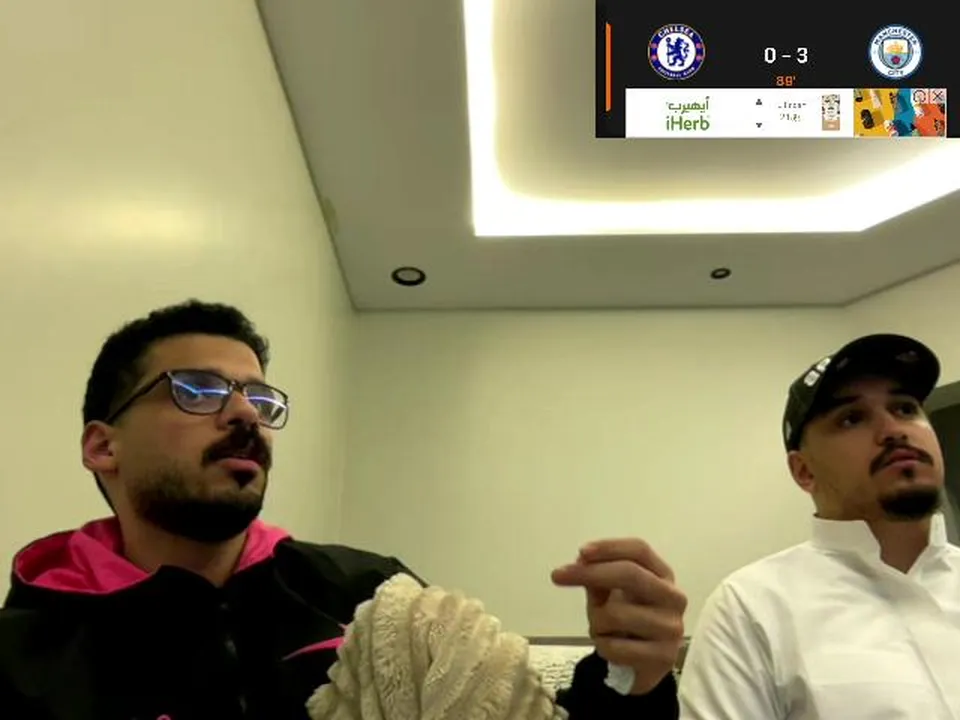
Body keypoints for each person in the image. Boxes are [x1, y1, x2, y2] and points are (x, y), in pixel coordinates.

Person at [0, 299, 685, 719]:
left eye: (260, 400)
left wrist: (632, 677)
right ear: (103, 446)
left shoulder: (369, 596)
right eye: (198, 391)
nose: (245, 415)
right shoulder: (23, 656)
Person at [678, 333, 960, 719]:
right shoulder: (750, 608)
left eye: (905, 408)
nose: (894, 429)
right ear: (804, 471)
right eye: (852, 418)